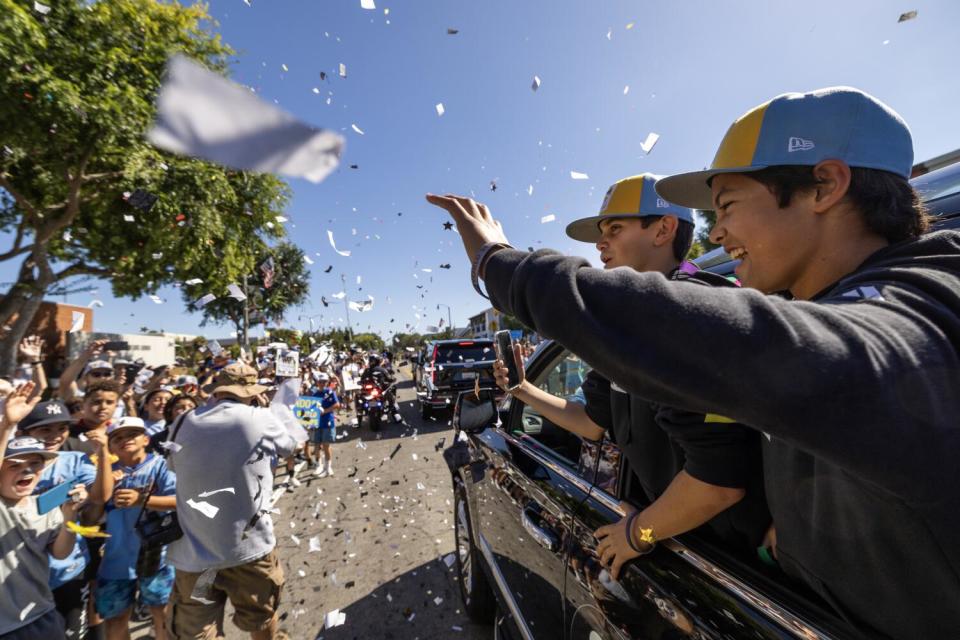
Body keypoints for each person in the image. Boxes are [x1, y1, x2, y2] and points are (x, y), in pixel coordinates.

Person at [427, 86, 960, 638]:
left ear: (824, 185)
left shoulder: (923, 314)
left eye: (727, 206)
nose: (719, 231)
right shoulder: (833, 303)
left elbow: (760, 361)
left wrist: (500, 266)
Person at [493, 174, 770, 576]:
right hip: (677, 549)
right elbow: (591, 422)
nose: (599, 244)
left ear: (663, 228)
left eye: (615, 229)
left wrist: (639, 532)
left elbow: (718, 481)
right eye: (600, 233)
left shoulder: (701, 311)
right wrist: (522, 389)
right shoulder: (628, 323)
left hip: (724, 563)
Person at [165, 362, 296, 640]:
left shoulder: (183, 420)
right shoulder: (258, 417)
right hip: (247, 555)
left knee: (200, 629)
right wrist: (265, 410)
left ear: (219, 390)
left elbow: (173, 465)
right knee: (259, 620)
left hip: (198, 561)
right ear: (251, 392)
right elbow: (290, 446)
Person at [18, 400, 111, 640]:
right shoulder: (12, 463)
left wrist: (103, 454)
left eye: (61, 428)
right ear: (23, 433)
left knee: (73, 635)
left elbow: (101, 496)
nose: (55, 435)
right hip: (21, 572)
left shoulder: (75, 459)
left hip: (68, 568)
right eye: (44, 429)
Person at [0, 382, 82, 639]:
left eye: (35, 464)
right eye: (14, 465)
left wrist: (70, 515)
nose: (27, 471)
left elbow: (60, 553)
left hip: (42, 617)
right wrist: (6, 425)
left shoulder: (45, 505)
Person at [88, 417, 176, 640]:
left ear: (146, 439)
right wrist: (105, 468)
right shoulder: (105, 472)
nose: (124, 440)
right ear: (111, 445)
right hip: (116, 558)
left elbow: (180, 501)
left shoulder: (162, 465)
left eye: (132, 434)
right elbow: (93, 514)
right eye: (117, 437)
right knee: (115, 621)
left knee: (161, 613)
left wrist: (142, 500)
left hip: (157, 555)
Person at [310, 373, 340, 478]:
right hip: (317, 423)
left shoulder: (330, 392)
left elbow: (337, 405)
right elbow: (310, 409)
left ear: (327, 382)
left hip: (328, 422)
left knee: (326, 445)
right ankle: (319, 466)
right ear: (317, 383)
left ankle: (328, 467)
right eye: (320, 382)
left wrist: (325, 411)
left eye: (324, 382)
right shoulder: (314, 395)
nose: (322, 384)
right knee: (317, 445)